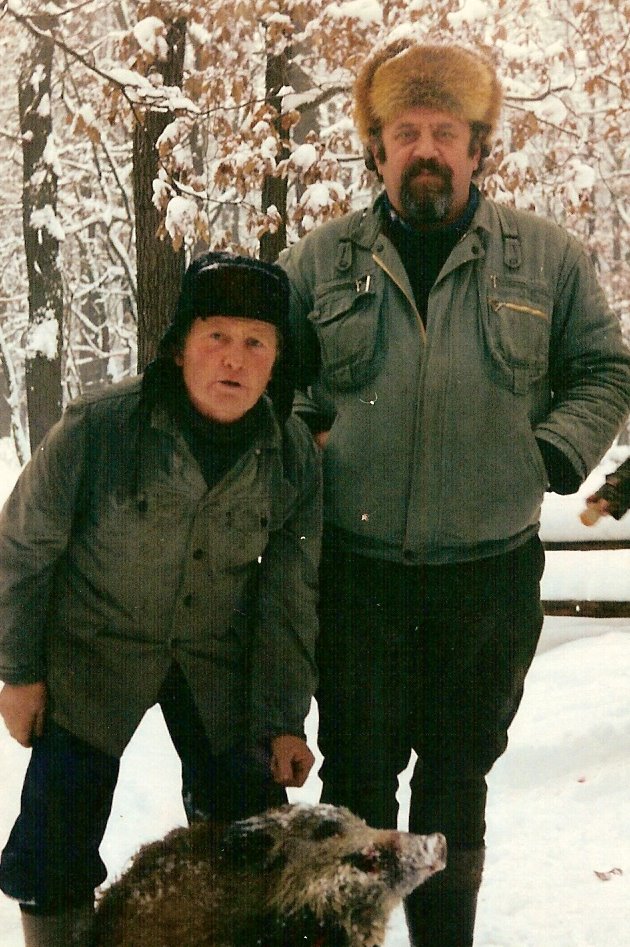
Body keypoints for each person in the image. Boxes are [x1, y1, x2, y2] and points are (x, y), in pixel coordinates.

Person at [278, 41, 630, 947]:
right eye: (406, 132)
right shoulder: (321, 260)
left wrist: (546, 452)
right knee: (357, 789)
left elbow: (604, 369)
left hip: (487, 579)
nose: (426, 149)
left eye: (446, 131)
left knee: (454, 786)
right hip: (359, 580)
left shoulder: (545, 259)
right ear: (376, 149)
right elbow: (277, 383)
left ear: (479, 147)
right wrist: (309, 437)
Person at [0, 252, 322, 946]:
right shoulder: (99, 428)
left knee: (255, 840)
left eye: (256, 343)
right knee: (52, 842)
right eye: (216, 336)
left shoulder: (291, 455)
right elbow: (20, 550)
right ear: (179, 348)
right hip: (94, 649)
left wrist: (281, 719)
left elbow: (289, 596)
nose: (234, 359)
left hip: (215, 661)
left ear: (276, 362)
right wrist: (19, 673)